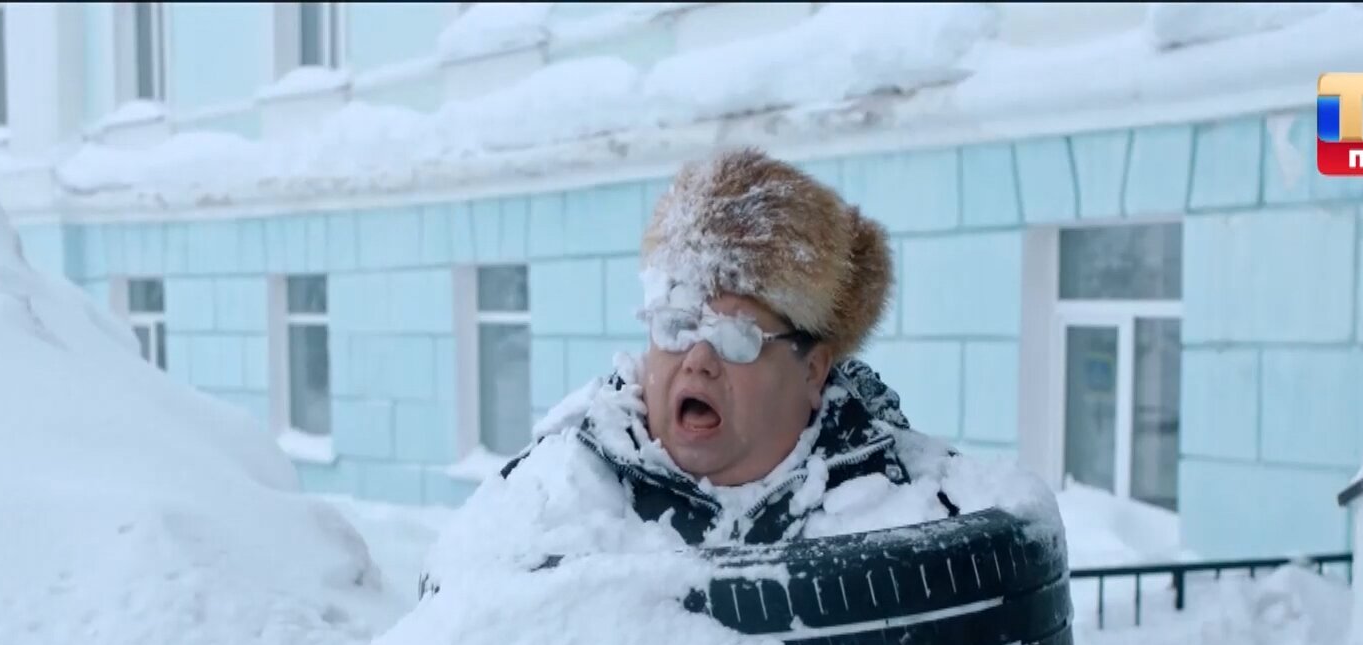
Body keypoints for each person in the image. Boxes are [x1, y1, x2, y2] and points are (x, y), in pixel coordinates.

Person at [421, 147, 1042, 595]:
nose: (697, 359)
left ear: (813, 370)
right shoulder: (553, 494)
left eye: (735, 336)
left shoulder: (920, 514)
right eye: (676, 324)